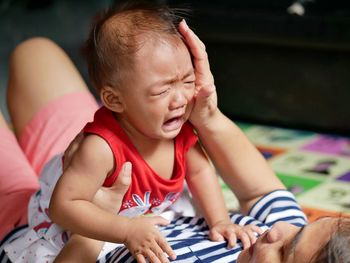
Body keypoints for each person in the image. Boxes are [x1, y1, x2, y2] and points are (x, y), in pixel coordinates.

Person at [0, 3, 349, 263]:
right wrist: (205, 114)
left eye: (286, 250)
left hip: (47, 234)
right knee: (35, 53)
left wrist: (106, 219)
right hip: (100, 161)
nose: (278, 230)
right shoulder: (293, 236)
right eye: (303, 226)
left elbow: (68, 211)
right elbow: (242, 183)